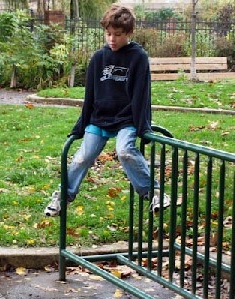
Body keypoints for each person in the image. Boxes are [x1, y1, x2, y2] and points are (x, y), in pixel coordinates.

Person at [44, 3, 170, 217]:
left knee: (125, 151)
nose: (112, 39)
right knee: (82, 157)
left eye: (118, 35)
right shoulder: (98, 58)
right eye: (108, 34)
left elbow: (142, 94)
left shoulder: (138, 57)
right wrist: (81, 125)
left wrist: (143, 127)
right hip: (99, 119)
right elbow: (90, 96)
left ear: (128, 32)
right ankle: (62, 196)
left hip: (126, 119)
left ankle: (155, 192)